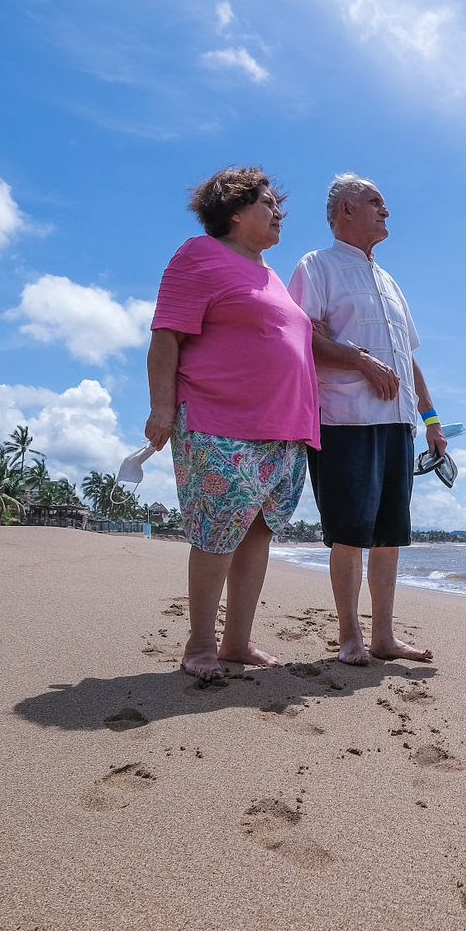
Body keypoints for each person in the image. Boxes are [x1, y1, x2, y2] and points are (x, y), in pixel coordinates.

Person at [144, 166, 319, 680]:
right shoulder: (199, 256)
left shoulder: (273, 277)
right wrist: (161, 406)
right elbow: (166, 336)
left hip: (285, 431)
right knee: (216, 534)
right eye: (268, 203)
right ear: (235, 210)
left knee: (258, 534)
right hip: (220, 421)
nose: (279, 212)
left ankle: (236, 642)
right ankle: (200, 645)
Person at [288, 174, 445, 665]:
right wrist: (358, 360)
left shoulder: (389, 280)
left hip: (399, 423)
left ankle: (384, 636)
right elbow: (299, 337)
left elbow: (407, 356)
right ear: (344, 211)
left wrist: (433, 418)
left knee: (389, 535)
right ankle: (349, 635)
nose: (386, 210)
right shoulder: (317, 266)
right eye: (375, 201)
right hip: (344, 419)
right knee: (349, 533)